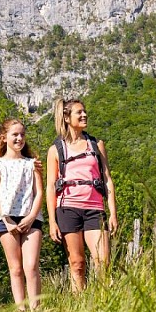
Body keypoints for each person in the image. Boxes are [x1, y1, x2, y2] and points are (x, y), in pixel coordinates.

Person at [45, 98, 117, 292]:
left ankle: (104, 299)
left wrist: (113, 213)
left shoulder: (96, 145)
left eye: (85, 112)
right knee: (77, 264)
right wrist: (52, 221)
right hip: (67, 209)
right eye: (79, 112)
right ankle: (80, 302)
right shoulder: (56, 150)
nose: (84, 115)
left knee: (103, 261)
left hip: (95, 208)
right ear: (67, 118)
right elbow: (50, 186)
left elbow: (107, 179)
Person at [0, 118, 44, 310]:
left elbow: (39, 193)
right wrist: (7, 220)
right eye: (15, 134)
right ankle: (21, 309)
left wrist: (31, 217)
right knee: (16, 268)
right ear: (4, 137)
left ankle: (36, 309)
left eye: (22, 134)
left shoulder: (32, 163)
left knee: (31, 265)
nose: (19, 138)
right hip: (6, 219)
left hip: (31, 217)